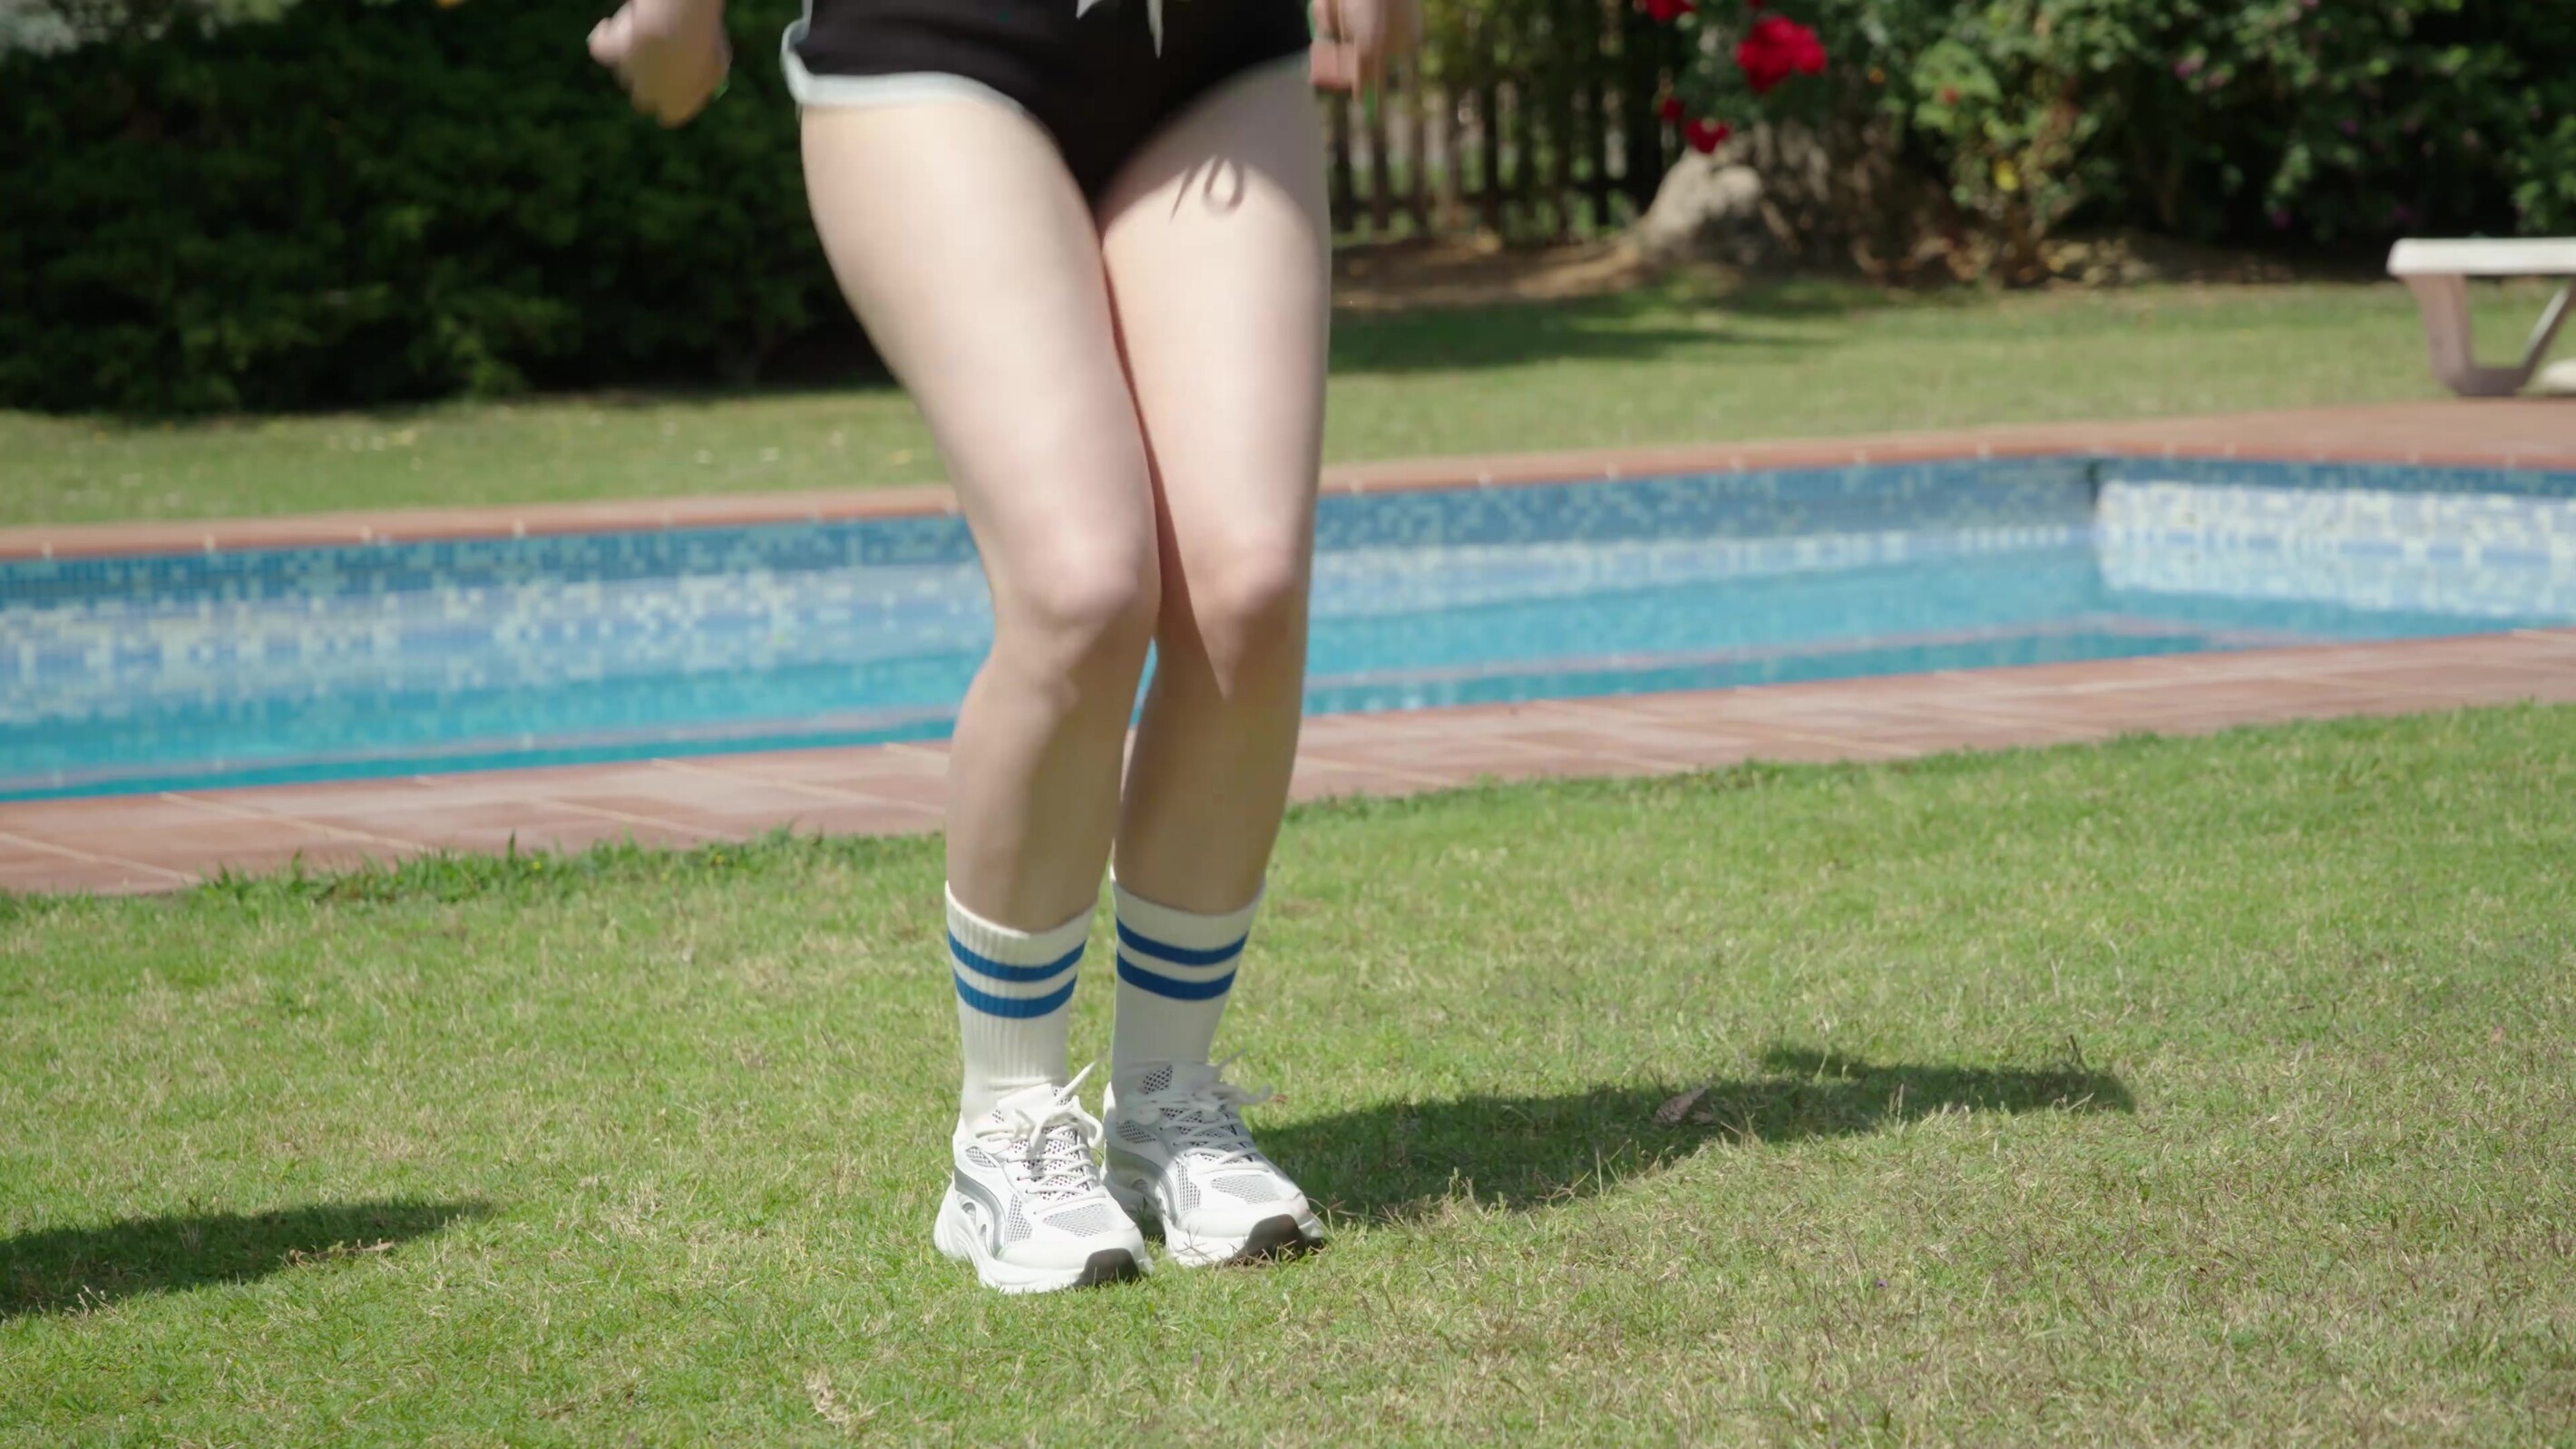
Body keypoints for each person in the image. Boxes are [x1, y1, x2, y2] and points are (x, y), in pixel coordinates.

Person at [588, 0, 1412, 1292]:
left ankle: (1167, 1102)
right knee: (1084, 587)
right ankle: (1008, 1127)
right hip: (932, 45)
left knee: (1246, 593)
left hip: (1214, 56)